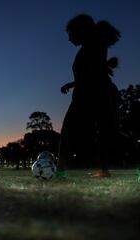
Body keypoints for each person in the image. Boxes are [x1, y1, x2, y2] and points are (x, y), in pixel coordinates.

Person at [57, 14, 121, 178]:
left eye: (71, 33)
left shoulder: (96, 45)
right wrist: (75, 83)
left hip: (97, 95)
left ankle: (62, 171)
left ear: (81, 30)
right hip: (84, 96)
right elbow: (92, 70)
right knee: (70, 132)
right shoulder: (88, 48)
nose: (69, 38)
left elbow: (92, 72)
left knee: (107, 132)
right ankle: (61, 171)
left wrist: (72, 84)